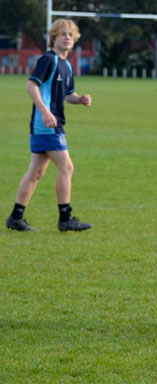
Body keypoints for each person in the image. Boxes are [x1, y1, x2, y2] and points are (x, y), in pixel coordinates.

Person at [6, 19, 93, 232]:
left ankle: (16, 217)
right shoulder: (49, 60)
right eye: (63, 34)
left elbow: (67, 94)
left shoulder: (67, 64)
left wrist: (80, 99)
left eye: (71, 35)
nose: (67, 37)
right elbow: (30, 86)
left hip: (47, 123)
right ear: (54, 37)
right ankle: (65, 218)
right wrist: (45, 112)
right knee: (67, 167)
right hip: (46, 123)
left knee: (36, 172)